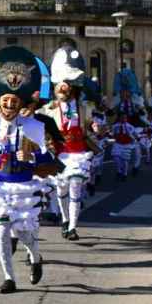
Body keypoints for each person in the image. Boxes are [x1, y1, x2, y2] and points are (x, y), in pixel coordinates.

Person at [0, 46, 53, 294]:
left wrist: (31, 155)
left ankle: (36, 256)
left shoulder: (33, 126)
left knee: (23, 233)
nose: (8, 105)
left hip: (24, 186)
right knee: (1, 232)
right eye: (5, 101)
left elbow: (47, 158)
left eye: (13, 101)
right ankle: (8, 277)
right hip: (0, 186)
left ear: (19, 102)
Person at [38, 46, 97, 242]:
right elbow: (39, 128)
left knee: (75, 186)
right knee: (61, 189)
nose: (62, 88)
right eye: (60, 85)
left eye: (66, 85)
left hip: (78, 153)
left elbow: (90, 126)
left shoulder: (84, 107)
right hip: (60, 153)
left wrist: (96, 127)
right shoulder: (48, 109)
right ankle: (65, 219)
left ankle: (72, 226)